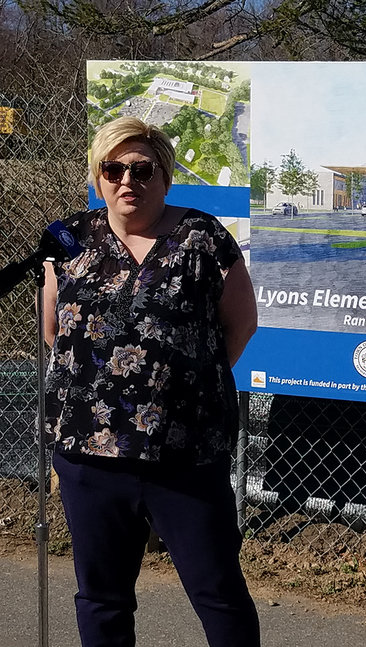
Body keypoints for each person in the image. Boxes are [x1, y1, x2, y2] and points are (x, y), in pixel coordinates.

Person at [41, 116, 260, 647]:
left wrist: (181, 384)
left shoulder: (202, 236)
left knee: (218, 592)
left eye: (142, 169)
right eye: (113, 169)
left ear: (164, 176)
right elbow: (53, 331)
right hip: (89, 454)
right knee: (101, 596)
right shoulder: (68, 240)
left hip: (184, 453)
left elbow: (241, 324)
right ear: (97, 177)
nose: (127, 181)